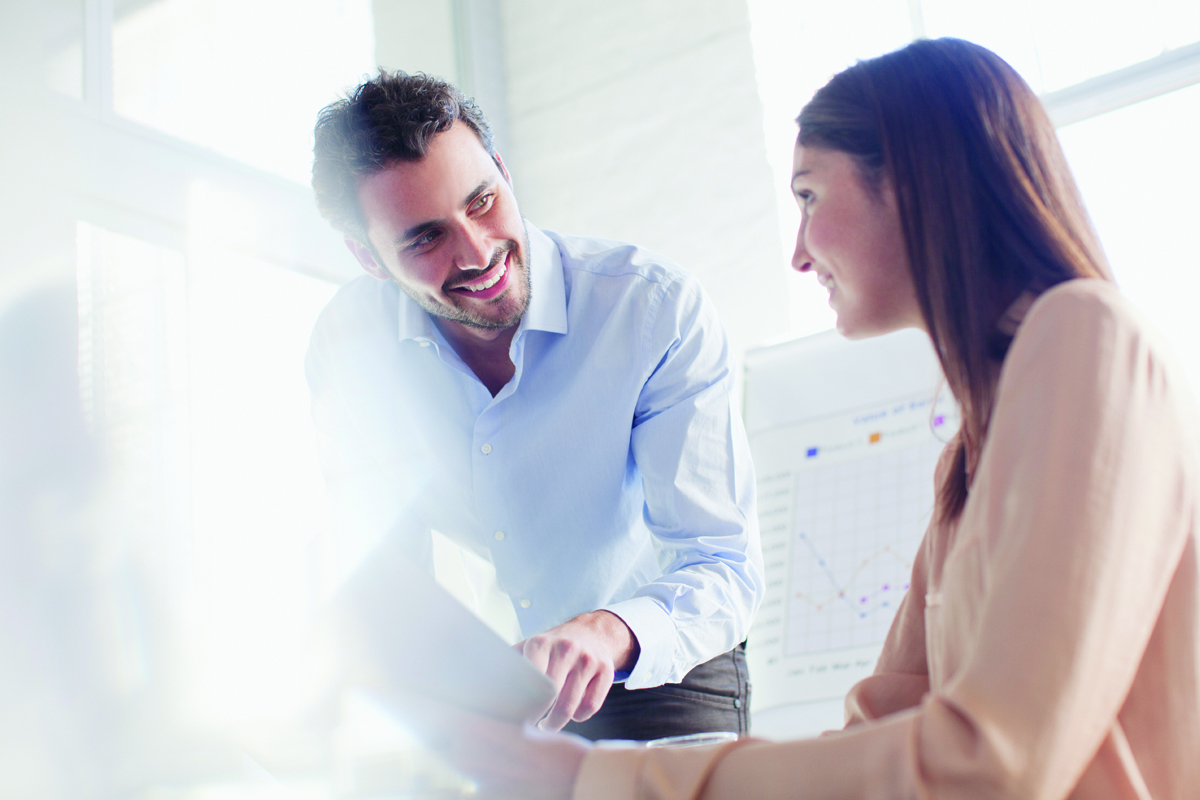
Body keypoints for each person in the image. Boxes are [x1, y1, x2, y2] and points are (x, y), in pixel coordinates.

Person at [438, 37, 1200, 799]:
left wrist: (604, 777)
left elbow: (989, 761)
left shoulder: (1084, 335)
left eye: (809, 196)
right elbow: (882, 726)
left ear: (915, 185)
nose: (799, 255)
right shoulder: (974, 448)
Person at [305, 72, 763, 740]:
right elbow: (385, 568)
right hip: (499, 689)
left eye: (483, 201)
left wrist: (608, 632)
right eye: (425, 238)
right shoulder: (350, 347)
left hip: (661, 663)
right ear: (368, 258)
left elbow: (722, 564)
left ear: (503, 171)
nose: (478, 250)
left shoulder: (652, 309)